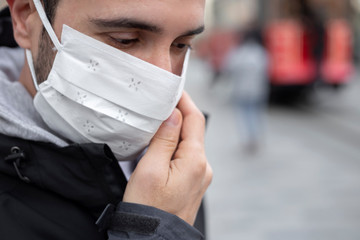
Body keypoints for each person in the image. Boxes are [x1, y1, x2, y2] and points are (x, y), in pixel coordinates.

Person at [0, 0, 212, 239]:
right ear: (24, 19)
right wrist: (150, 230)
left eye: (181, 45)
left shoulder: (182, 165)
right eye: (125, 39)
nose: (162, 76)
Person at [223, 27, 269, 153]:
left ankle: (247, 140)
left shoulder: (238, 53)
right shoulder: (261, 52)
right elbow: (266, 70)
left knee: (243, 115)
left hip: (241, 90)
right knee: (256, 114)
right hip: (257, 90)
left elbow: (228, 68)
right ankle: (255, 138)